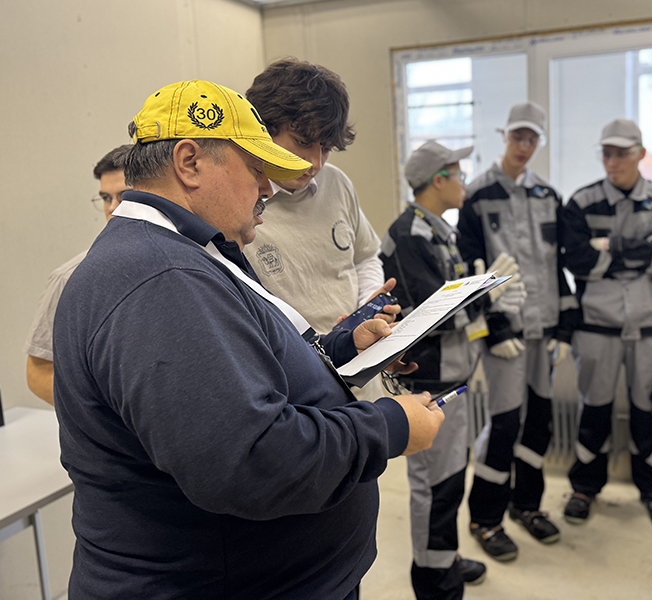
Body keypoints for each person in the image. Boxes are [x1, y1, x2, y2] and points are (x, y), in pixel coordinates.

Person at [52, 79, 444, 600]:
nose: (267, 189)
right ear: (189, 162)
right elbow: (252, 461)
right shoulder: (160, 278)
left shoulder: (184, 254)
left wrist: (342, 347)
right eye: (256, 171)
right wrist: (392, 425)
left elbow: (246, 374)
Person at [380, 141, 524, 599]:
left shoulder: (441, 232)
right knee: (435, 486)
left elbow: (459, 308)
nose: (465, 182)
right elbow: (430, 314)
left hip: (456, 373)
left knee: (451, 478)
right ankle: (434, 578)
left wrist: (487, 311)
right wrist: (486, 298)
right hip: (428, 378)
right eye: (459, 174)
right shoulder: (408, 235)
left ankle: (447, 558)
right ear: (437, 179)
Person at [559, 118, 652, 532]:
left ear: (640, 154)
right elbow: (577, 260)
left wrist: (610, 247)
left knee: (644, 412)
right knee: (593, 411)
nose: (612, 161)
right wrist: (641, 250)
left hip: (650, 326)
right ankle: (583, 489)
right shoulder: (581, 203)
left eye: (621, 153)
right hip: (597, 326)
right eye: (606, 153)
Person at [457, 102, 577, 561]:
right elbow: (471, 272)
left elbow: (559, 265)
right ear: (504, 135)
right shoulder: (477, 196)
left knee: (539, 421)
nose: (524, 147)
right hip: (504, 333)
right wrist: (493, 328)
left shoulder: (548, 196)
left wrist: (565, 328)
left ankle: (527, 505)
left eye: (532, 140)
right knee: (505, 422)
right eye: (517, 137)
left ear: (539, 142)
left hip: (542, 330)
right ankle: (485, 518)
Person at [242, 59, 385, 348]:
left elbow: (365, 256)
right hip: (298, 375)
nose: (316, 163)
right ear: (263, 129)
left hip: (362, 362)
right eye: (303, 142)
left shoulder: (337, 183)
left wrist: (369, 303)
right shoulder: (238, 203)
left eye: (327, 149)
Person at [23, 144, 131, 404]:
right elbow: (39, 372)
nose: (113, 208)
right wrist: (104, 418)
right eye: (106, 198)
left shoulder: (191, 262)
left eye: (125, 196)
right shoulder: (70, 277)